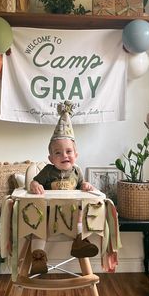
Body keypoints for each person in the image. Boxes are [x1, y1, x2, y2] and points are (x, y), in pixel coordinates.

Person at [29, 101, 99, 275]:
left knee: (83, 216)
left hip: (72, 216)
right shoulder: (47, 171)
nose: (64, 155)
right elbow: (34, 183)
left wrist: (86, 185)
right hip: (49, 216)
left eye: (68, 151)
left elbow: (82, 185)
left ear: (76, 155)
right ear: (51, 158)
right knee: (39, 226)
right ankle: (38, 257)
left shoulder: (77, 171)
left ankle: (80, 243)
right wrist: (35, 185)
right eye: (58, 153)